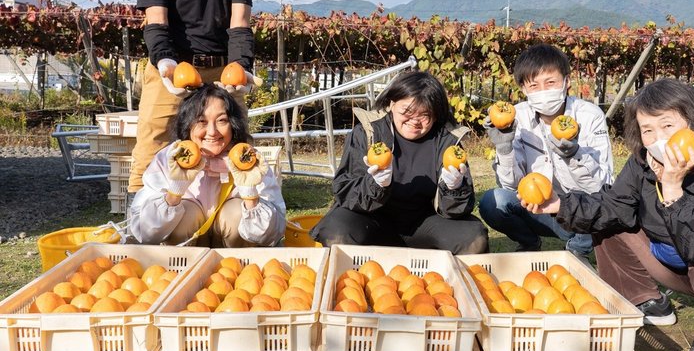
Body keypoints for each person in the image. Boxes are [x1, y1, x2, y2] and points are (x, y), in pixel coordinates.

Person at [525, 78, 694, 351]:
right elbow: (613, 206)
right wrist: (559, 204)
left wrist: (674, 188)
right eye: (647, 130)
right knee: (610, 223)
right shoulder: (646, 162)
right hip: (684, 265)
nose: (658, 138)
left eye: (667, 125)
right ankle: (646, 301)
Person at [129, 0, 257, 195]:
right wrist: (166, 64)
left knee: (235, 138)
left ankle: (245, 204)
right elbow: (156, 23)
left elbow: (239, 26)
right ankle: (139, 211)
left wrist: (242, 66)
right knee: (154, 135)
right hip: (173, 67)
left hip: (221, 69)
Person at [310, 71, 489, 255]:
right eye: (407, 112)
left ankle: (449, 278)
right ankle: (352, 278)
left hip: (426, 223)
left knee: (473, 236)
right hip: (373, 220)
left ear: (436, 115)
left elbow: (460, 208)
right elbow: (345, 190)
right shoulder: (368, 132)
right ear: (392, 104)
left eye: (424, 115)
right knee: (337, 229)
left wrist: (453, 188)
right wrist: (375, 185)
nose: (414, 121)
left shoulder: (449, 141)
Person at [479, 44, 613, 256]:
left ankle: (575, 254)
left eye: (550, 83)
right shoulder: (518, 118)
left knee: (598, 210)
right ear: (524, 89)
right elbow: (510, 186)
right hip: (538, 208)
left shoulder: (589, 116)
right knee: (493, 202)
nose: (543, 92)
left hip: (575, 210)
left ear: (566, 82)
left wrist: (573, 155)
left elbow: (600, 186)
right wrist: (504, 148)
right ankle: (529, 243)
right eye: (534, 85)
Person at [129, 84, 285, 247]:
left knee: (235, 212)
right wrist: (174, 192)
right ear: (187, 125)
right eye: (201, 121)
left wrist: (250, 195)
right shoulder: (169, 158)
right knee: (187, 214)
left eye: (222, 120)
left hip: (234, 266)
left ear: (233, 124)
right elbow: (145, 233)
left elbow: (272, 235)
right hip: (184, 261)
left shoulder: (250, 160)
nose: (212, 131)